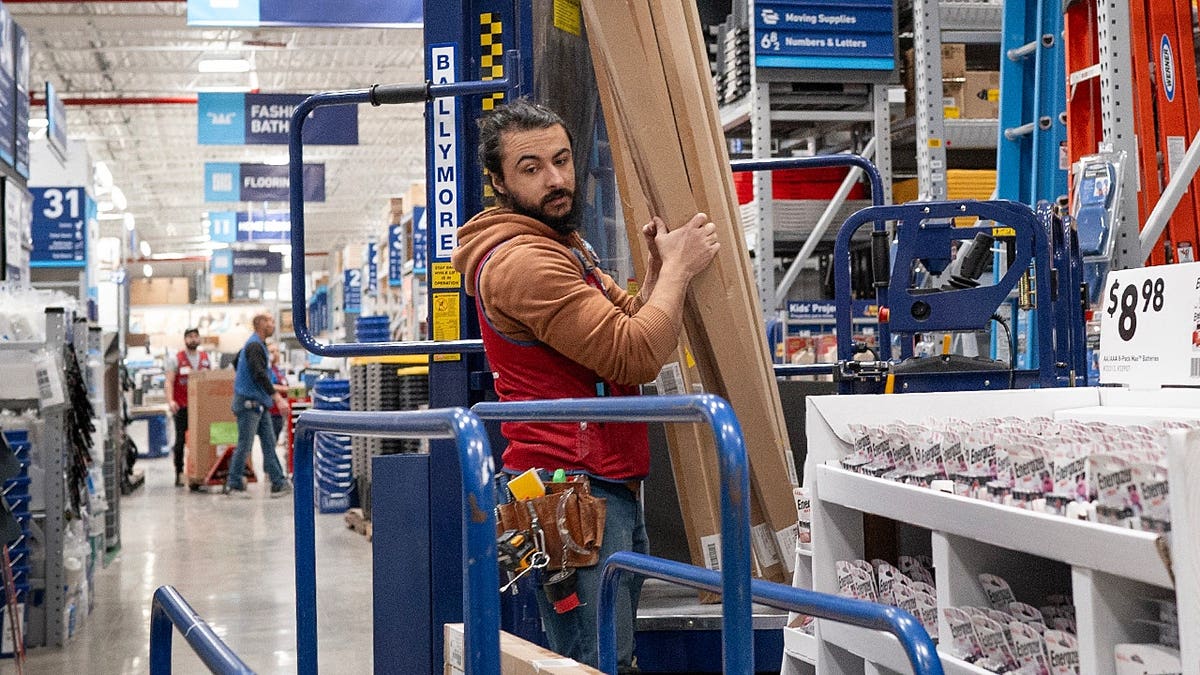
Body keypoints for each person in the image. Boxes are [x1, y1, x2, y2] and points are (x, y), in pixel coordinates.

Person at [451, 99, 719, 669]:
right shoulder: (524, 264)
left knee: (607, 658)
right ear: (498, 181)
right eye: (532, 168)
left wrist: (654, 273)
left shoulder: (562, 245)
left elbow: (627, 325)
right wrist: (678, 271)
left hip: (601, 485)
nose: (556, 179)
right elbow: (637, 353)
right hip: (573, 490)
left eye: (562, 160)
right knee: (597, 664)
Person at [225, 314, 292, 499]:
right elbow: (258, 374)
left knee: (269, 443)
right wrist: (277, 397)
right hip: (249, 404)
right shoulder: (254, 345)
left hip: (259, 403)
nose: (273, 325)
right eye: (270, 321)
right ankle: (234, 484)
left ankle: (278, 483)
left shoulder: (258, 345)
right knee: (245, 445)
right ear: (260, 324)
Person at [164, 327, 210, 487]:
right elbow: (169, 381)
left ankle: (201, 470)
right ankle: (179, 473)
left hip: (201, 407)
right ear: (185, 340)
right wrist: (170, 400)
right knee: (181, 440)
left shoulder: (205, 358)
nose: (193, 339)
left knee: (202, 439)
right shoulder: (176, 359)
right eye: (190, 336)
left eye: (196, 336)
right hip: (182, 406)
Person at [266, 342, 289, 443]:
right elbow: (268, 385)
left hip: (279, 412)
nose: (275, 354)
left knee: (274, 440)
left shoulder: (277, 370)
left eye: (277, 351)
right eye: (272, 351)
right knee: (271, 442)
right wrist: (285, 389)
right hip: (271, 411)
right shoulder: (267, 370)